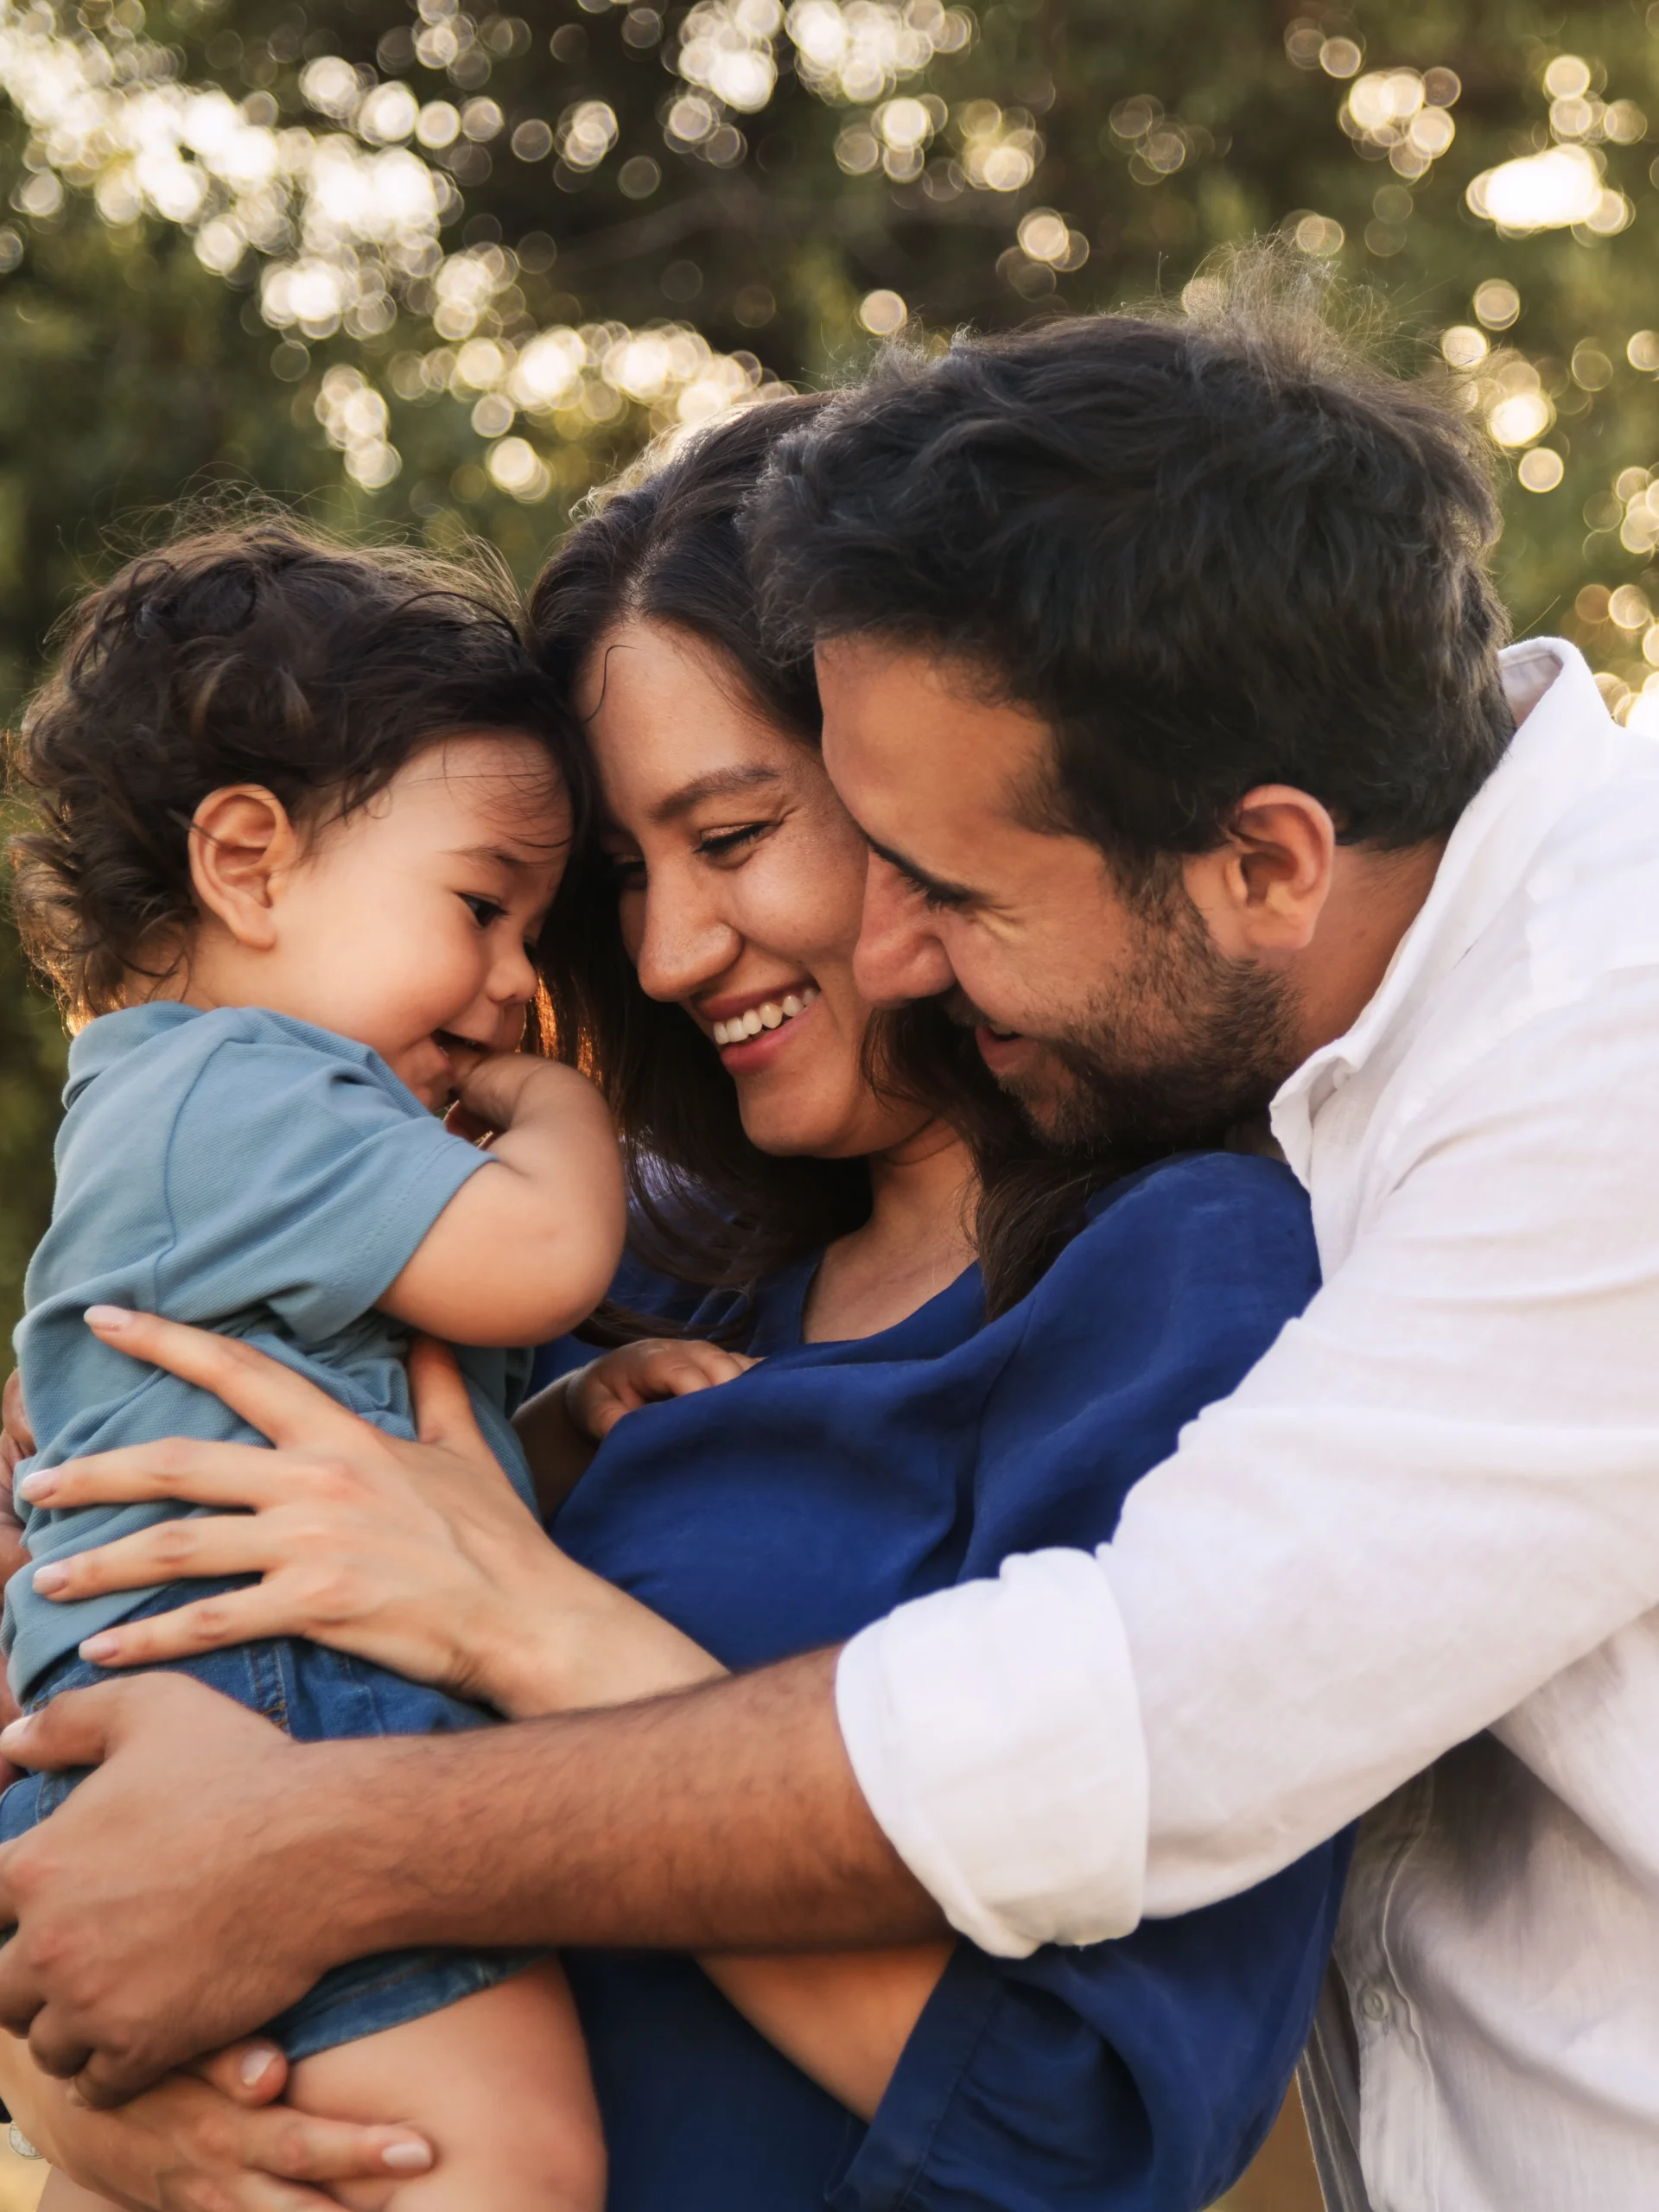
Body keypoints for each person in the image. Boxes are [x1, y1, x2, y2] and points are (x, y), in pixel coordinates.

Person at [9, 257, 1659, 2206]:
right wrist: (81, 2068)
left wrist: (460, 1692)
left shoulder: (1253, 1243)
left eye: (736, 833)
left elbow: (1126, 1847)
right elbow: (124, 1676)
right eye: (615, 872)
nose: (659, 948)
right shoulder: (638, 1259)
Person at [0, 523, 626, 2211]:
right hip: (265, 1708)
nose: (513, 987)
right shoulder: (258, 1086)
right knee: (500, 2163)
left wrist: (563, 1425)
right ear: (251, 863)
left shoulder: (194, 1112)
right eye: (486, 905)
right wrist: (569, 1114)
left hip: (195, 1706)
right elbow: (545, 1256)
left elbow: (385, 1444)